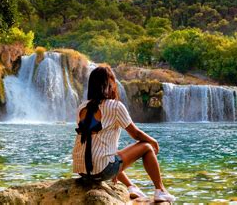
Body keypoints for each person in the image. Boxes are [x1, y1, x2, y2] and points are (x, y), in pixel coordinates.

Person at [72, 66, 176, 202]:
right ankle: (160, 190)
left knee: (110, 155)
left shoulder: (82, 107)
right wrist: (153, 141)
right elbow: (136, 134)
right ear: (109, 84)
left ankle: (131, 186)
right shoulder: (115, 106)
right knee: (146, 147)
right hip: (101, 170)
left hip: (82, 170)